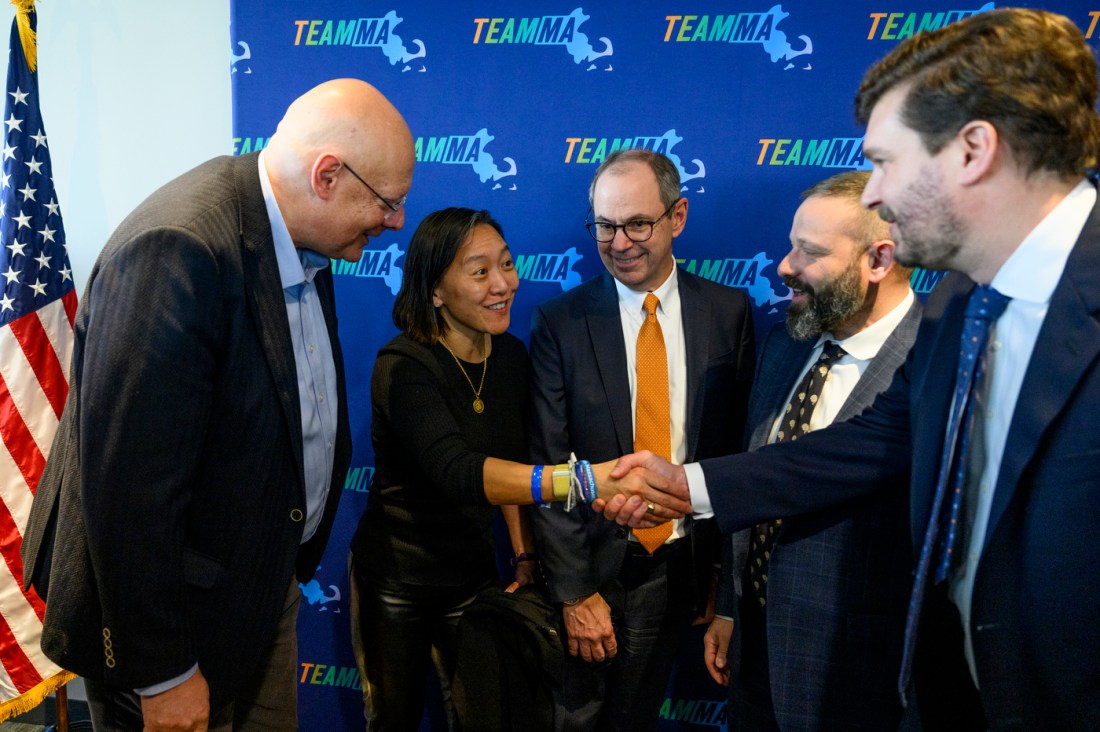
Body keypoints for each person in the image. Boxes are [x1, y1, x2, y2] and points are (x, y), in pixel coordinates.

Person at [602, 9, 1100, 729]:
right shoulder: (961, 308)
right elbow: (866, 445)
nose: (872, 196)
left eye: (886, 162)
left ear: (973, 150)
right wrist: (687, 485)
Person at [19, 78, 415, 731]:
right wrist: (163, 676)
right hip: (172, 626)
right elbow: (128, 494)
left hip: (256, 584)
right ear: (327, 176)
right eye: (388, 202)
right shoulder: (178, 250)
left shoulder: (305, 239)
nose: (396, 222)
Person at [350, 207, 685, 731]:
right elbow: (461, 472)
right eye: (479, 271)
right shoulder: (404, 366)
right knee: (391, 721)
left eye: (506, 264)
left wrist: (526, 554)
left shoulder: (509, 356)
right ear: (435, 289)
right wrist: (583, 479)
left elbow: (511, 467)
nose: (503, 284)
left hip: (476, 582)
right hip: (398, 585)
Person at [529, 149, 755, 730]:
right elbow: (548, 461)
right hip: (589, 569)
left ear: (677, 217)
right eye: (605, 226)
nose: (620, 242)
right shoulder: (560, 322)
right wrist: (576, 593)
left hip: (678, 569)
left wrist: (724, 587)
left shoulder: (729, 313)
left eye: (637, 224)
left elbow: (739, 460)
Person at [704, 170, 919, 730]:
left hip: (860, 677)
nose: (784, 267)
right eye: (790, 245)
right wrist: (730, 607)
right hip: (752, 661)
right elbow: (758, 476)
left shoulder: (931, 364)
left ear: (878, 260)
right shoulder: (785, 344)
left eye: (810, 252)